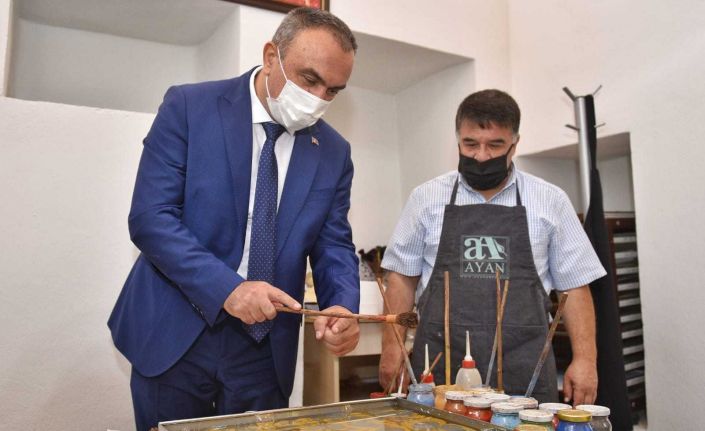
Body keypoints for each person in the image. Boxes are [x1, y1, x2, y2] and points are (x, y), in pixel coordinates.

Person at [108, 8, 361, 430]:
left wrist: (343, 305)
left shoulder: (334, 151)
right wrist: (228, 289)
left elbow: (333, 242)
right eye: (309, 79)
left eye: (333, 90)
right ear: (271, 56)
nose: (318, 98)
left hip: (265, 349)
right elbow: (152, 218)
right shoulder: (190, 107)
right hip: (176, 333)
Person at [378, 90, 606, 405]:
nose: (482, 156)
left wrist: (585, 360)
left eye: (495, 145)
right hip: (440, 366)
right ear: (458, 140)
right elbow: (401, 279)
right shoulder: (426, 199)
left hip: (524, 369)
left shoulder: (550, 200)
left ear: (515, 143)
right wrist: (392, 349)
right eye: (470, 144)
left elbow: (575, 286)